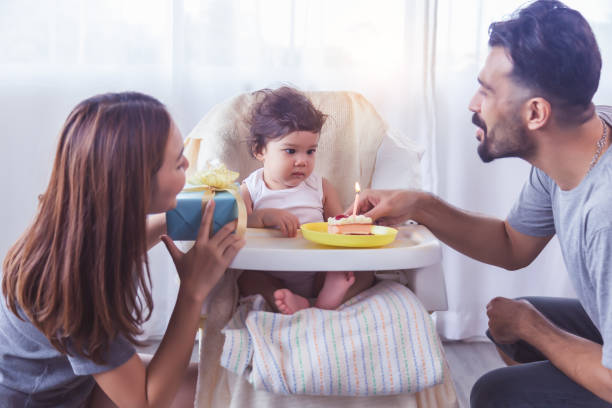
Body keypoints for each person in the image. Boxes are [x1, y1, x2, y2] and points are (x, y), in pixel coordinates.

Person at [351, 1, 612, 406]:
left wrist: (534, 327)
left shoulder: (605, 214)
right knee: (508, 321)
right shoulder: (579, 144)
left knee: (499, 390)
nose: (473, 103)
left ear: (536, 112)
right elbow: (511, 245)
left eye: (487, 91)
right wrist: (419, 205)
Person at [0, 92, 245, 407]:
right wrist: (192, 291)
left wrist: (178, 219)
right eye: (176, 161)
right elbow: (146, 404)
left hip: (73, 382)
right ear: (134, 183)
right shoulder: (75, 285)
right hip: (47, 401)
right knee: (209, 394)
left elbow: (122, 245)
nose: (186, 162)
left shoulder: (73, 229)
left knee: (216, 382)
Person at [237, 86, 375, 315]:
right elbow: (238, 226)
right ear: (260, 150)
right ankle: (287, 300)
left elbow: (337, 226)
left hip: (318, 269)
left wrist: (354, 222)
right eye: (291, 151)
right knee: (247, 279)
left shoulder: (321, 187)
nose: (302, 161)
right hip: (270, 270)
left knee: (364, 274)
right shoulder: (250, 189)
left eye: (310, 151)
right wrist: (263, 217)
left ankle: (325, 299)